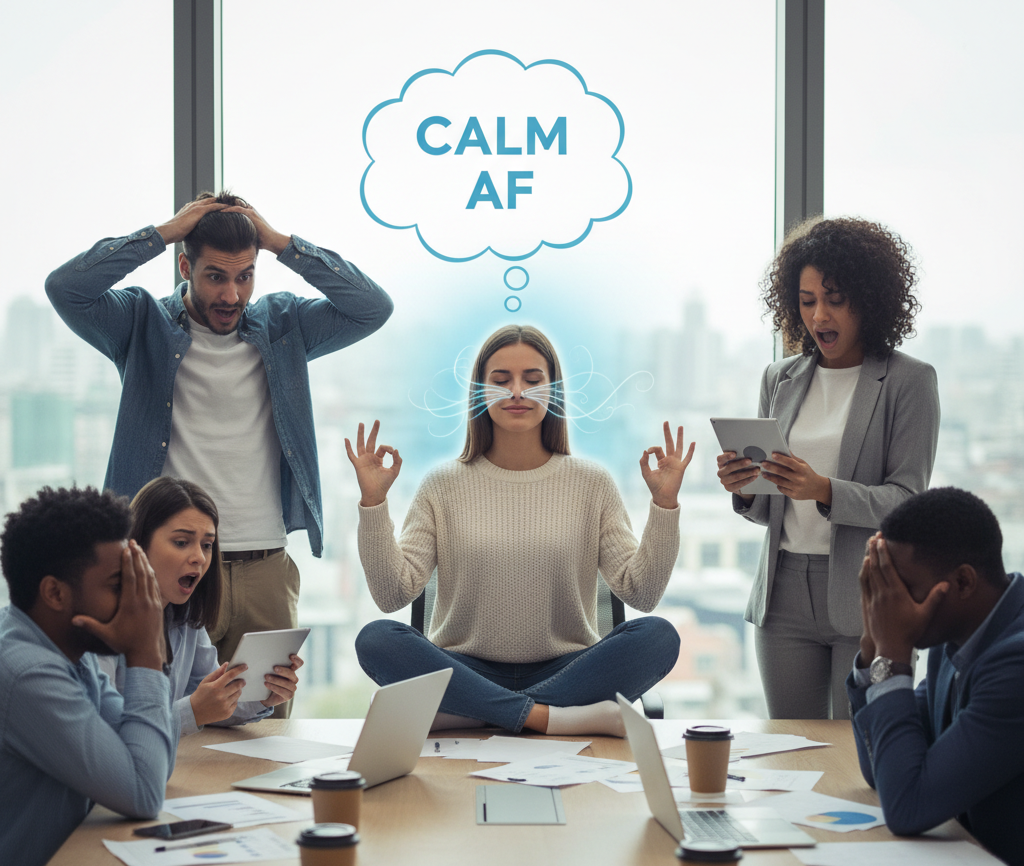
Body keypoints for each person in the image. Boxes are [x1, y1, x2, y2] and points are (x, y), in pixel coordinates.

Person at [44, 192, 394, 683]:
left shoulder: (283, 325)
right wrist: (163, 232)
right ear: (185, 265)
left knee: (265, 728)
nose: (231, 295)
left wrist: (278, 243)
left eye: (244, 276)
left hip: (265, 564)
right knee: (162, 721)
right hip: (170, 567)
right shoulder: (141, 324)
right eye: (216, 276)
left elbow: (371, 308)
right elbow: (67, 288)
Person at [347, 324, 692, 738]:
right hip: (463, 668)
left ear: (553, 391)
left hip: (569, 669)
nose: (516, 392)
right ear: (479, 391)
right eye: (500, 381)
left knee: (659, 636)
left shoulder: (592, 482)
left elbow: (642, 593)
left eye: (532, 380)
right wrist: (373, 503)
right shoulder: (442, 484)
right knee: (376, 639)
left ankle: (476, 714)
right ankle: (547, 719)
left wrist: (664, 505)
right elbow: (391, 596)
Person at [717, 217, 940, 719]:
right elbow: (770, 507)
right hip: (783, 594)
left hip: (867, 589)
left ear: (869, 299)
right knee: (792, 748)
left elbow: (908, 501)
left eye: (835, 297)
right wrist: (748, 491)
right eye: (807, 299)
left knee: (857, 751)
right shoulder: (780, 378)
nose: (819, 314)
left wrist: (824, 490)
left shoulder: (910, 381)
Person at [0, 487, 173, 866]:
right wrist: (147, 653)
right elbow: (143, 793)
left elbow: (150, 759)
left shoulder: (66, 650)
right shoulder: (26, 672)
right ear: (55, 594)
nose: (140, 601)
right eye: (121, 585)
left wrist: (144, 654)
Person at [851, 487, 1024, 866]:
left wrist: (892, 654)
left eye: (902, 589)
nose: (888, 604)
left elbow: (907, 807)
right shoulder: (952, 640)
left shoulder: (1014, 666)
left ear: (963, 581)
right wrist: (872, 647)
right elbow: (883, 770)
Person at [97, 477, 304, 739]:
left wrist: (263, 697)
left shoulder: (184, 617)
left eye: (207, 545)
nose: (199, 557)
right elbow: (105, 730)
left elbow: (211, 703)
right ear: (138, 543)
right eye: (182, 542)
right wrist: (192, 712)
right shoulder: (101, 619)